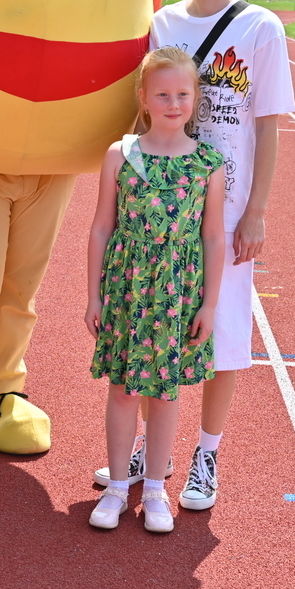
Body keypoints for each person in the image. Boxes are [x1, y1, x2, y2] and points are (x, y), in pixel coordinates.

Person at [93, 0, 295, 511]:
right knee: (153, 326)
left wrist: (256, 210)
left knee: (222, 333)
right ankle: (144, 453)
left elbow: (267, 125)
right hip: (162, 208)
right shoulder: (163, 24)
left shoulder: (261, 28)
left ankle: (207, 453)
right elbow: (145, 107)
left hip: (225, 207)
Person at [85, 47, 226, 533]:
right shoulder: (120, 155)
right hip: (127, 287)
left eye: (182, 94)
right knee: (123, 390)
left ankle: (155, 490)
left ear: (195, 99)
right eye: (162, 94)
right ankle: (118, 489)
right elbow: (102, 227)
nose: (173, 103)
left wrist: (209, 302)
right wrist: (93, 295)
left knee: (166, 395)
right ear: (144, 99)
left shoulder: (209, 162)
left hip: (178, 293)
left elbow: (212, 236)